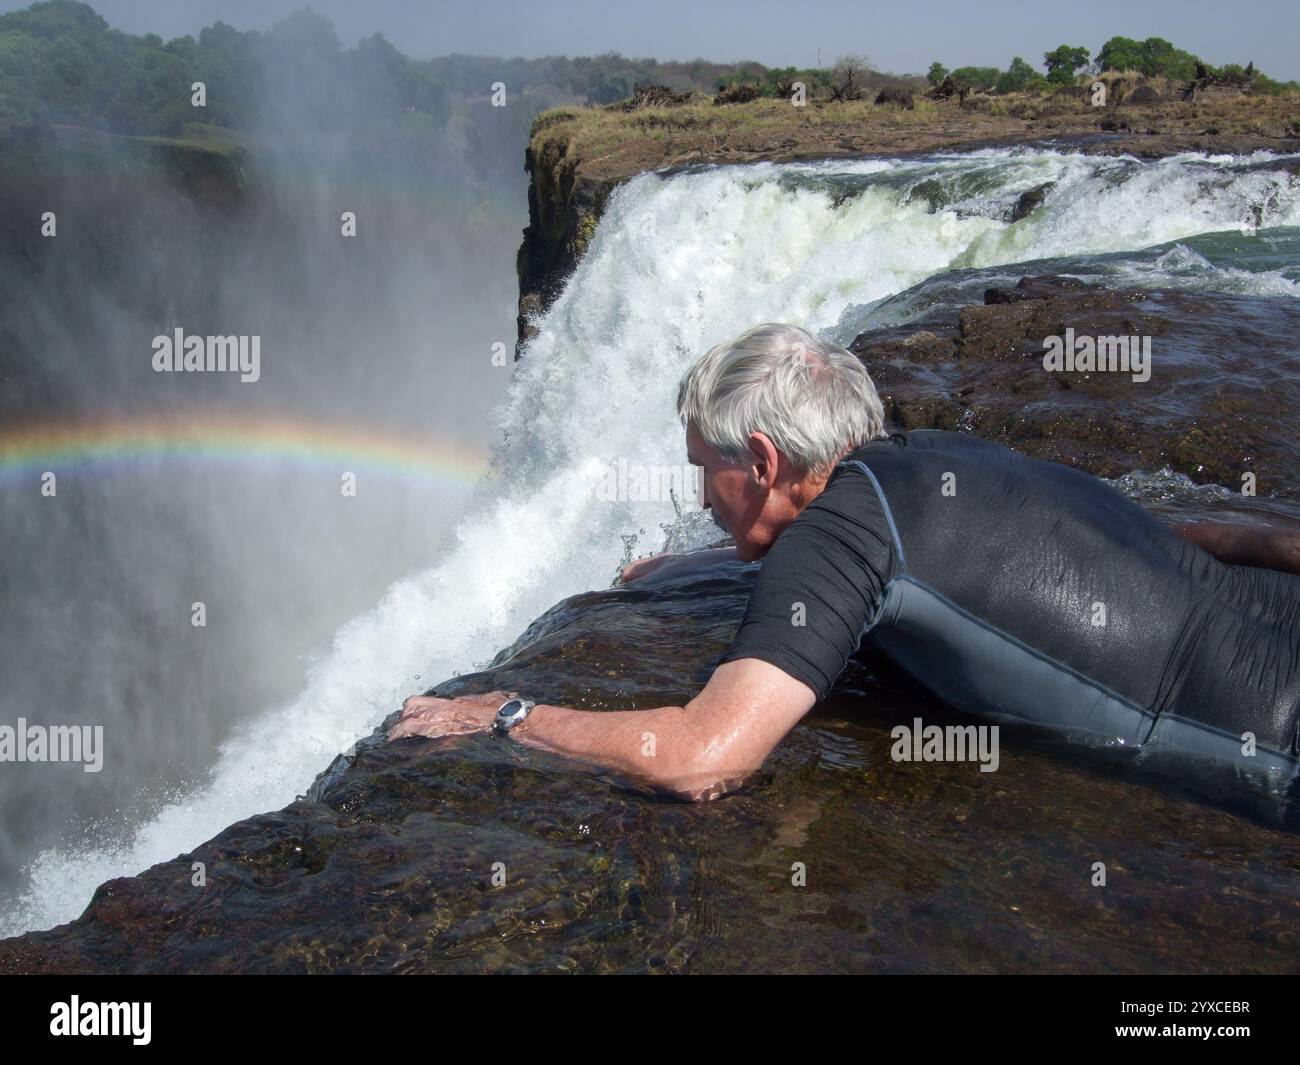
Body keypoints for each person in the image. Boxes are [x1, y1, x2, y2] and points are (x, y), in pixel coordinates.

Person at [390, 324, 1300, 800]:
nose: (703, 498)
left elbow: (702, 758)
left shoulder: (840, 536)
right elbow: (1166, 534)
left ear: (762, 460)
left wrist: (504, 711)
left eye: (704, 472)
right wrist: (703, 572)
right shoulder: (937, 456)